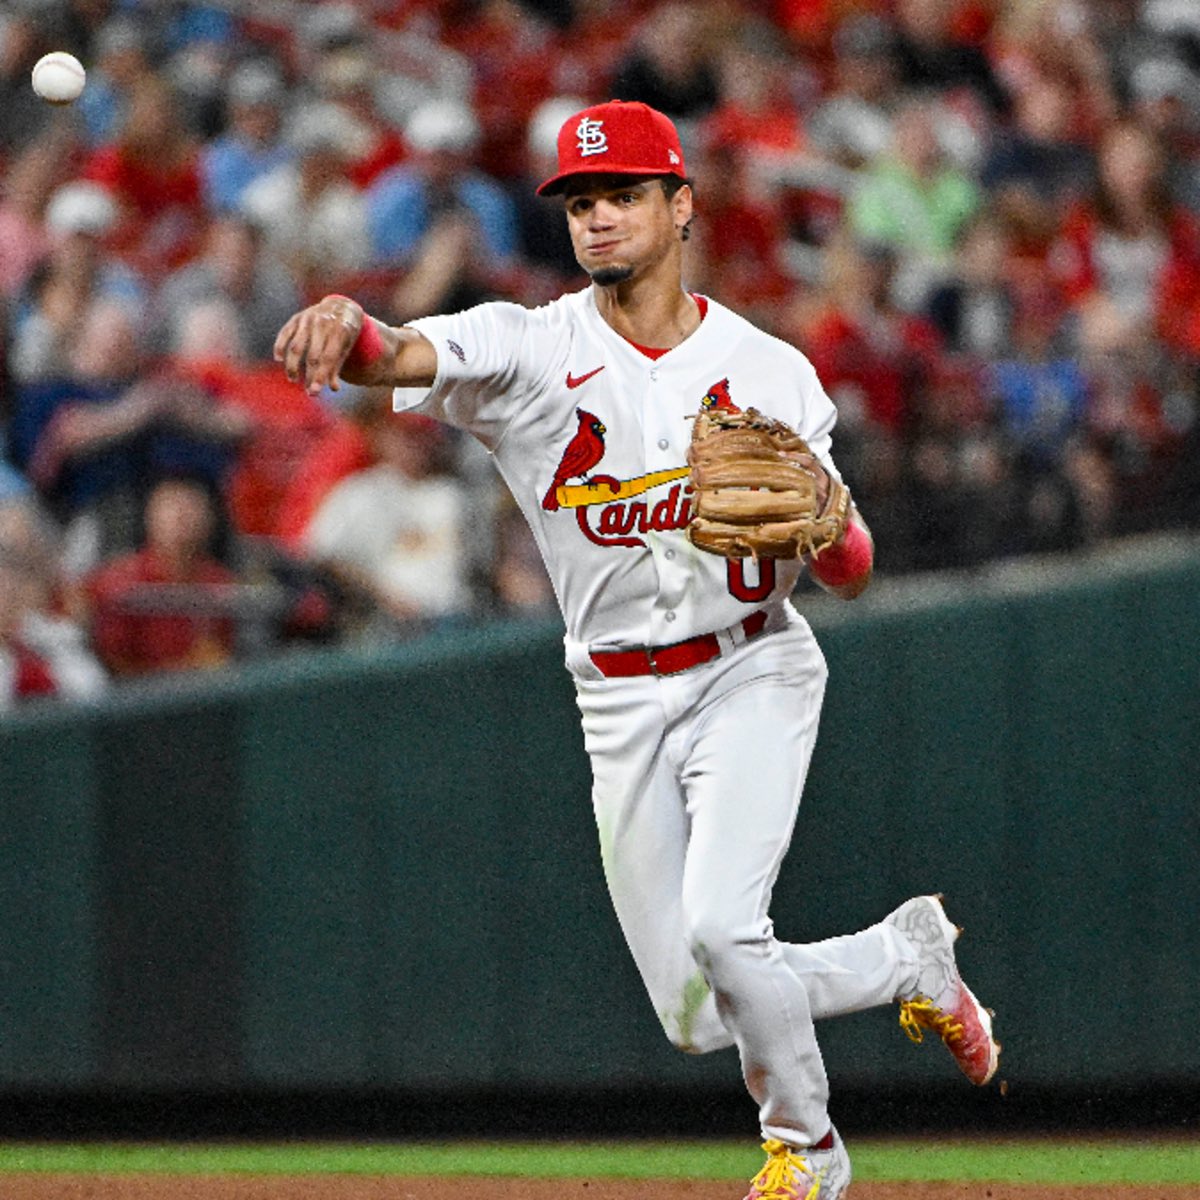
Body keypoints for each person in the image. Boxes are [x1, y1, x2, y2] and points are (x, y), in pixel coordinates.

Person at [273, 99, 999, 1200]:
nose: (599, 218)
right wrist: (348, 321)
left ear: (681, 205)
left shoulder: (771, 371)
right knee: (696, 1012)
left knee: (722, 925)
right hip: (613, 696)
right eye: (581, 200)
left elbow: (852, 567)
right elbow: (402, 350)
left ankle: (808, 1152)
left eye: (623, 195)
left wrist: (822, 521)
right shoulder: (529, 348)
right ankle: (903, 959)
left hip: (753, 666)